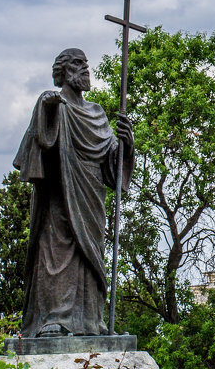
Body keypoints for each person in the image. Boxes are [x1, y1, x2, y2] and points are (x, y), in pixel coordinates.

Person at [13, 48, 134, 337]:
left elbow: (111, 167)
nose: (86, 70)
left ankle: (91, 321)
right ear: (65, 71)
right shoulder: (53, 103)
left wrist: (126, 146)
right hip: (60, 192)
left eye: (86, 65)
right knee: (59, 252)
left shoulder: (96, 112)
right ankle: (54, 319)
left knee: (90, 255)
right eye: (79, 65)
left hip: (91, 195)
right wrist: (47, 108)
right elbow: (41, 144)